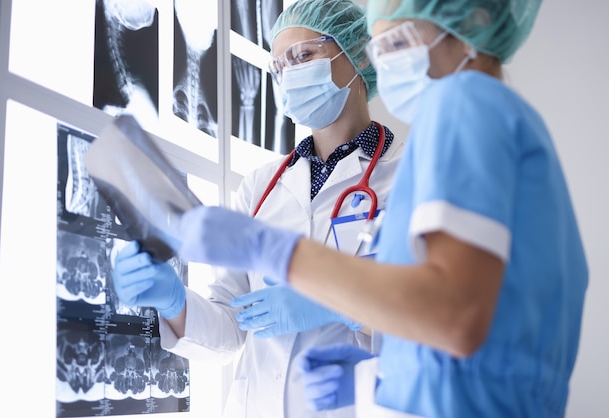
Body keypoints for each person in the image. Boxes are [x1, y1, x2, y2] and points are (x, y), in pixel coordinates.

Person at [172, 0, 589, 417]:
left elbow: (455, 314)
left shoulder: (464, 102)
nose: (386, 60)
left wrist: (275, 251)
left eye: (398, 41)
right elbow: (487, 324)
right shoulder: (510, 119)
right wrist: (380, 378)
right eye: (381, 46)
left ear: (473, 22)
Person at [112, 1, 404, 417]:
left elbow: (430, 322)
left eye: (303, 56)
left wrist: (340, 304)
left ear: (357, 54)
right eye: (279, 68)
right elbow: (231, 327)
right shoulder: (261, 186)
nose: (289, 75)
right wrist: (174, 300)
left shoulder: (405, 179)